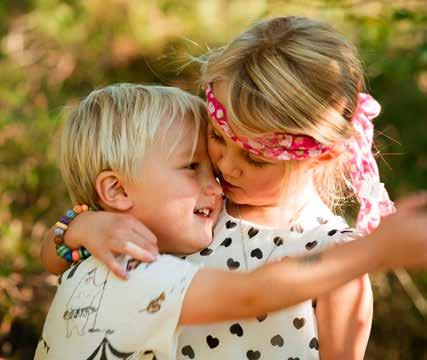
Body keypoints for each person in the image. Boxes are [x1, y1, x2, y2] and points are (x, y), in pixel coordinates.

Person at [39, 18, 427, 360]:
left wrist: (370, 252)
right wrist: (82, 226)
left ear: (320, 158)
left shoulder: (336, 257)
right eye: (216, 137)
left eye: (255, 159)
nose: (224, 166)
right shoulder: (189, 210)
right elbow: (62, 256)